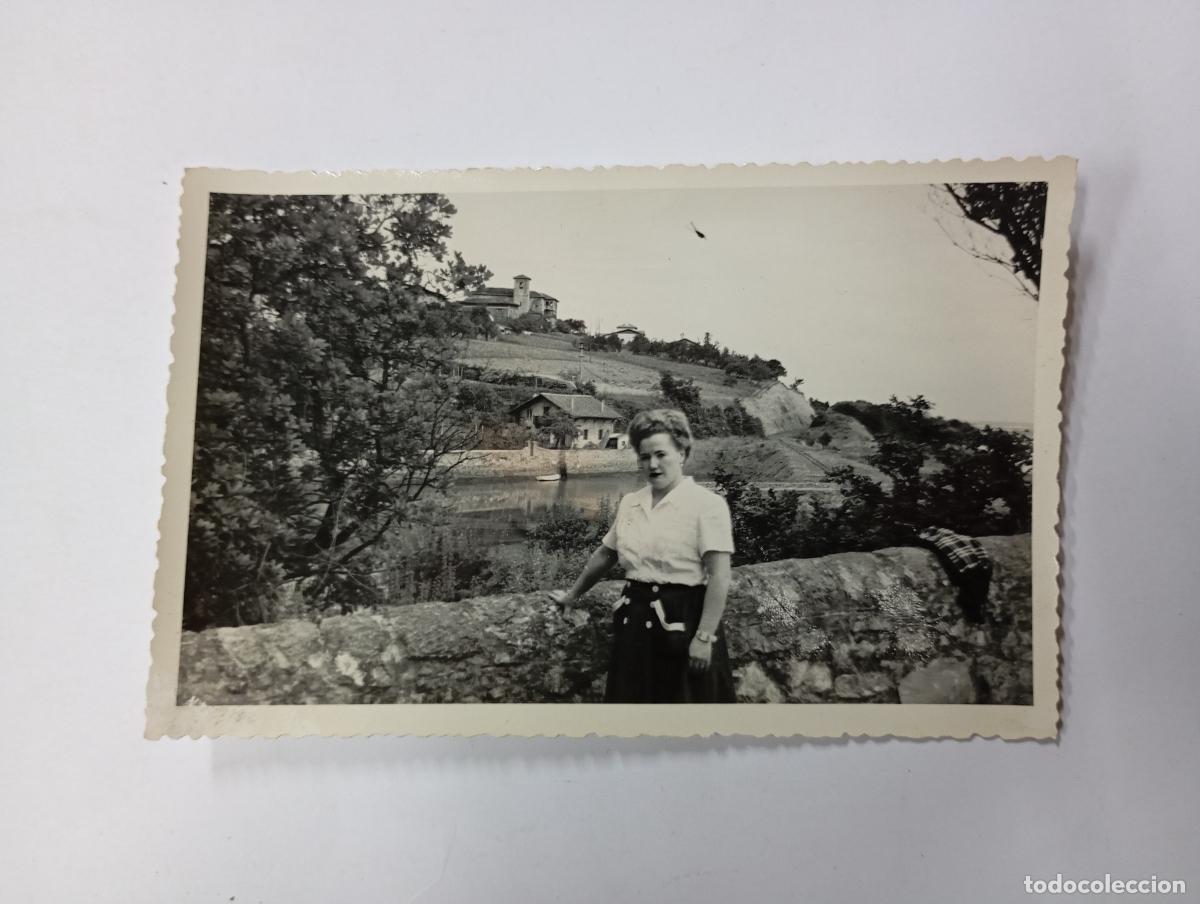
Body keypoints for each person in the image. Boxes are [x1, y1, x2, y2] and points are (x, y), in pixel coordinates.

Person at [548, 408, 737, 703]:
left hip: (683, 624)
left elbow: (720, 575)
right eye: (645, 456)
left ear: (682, 453)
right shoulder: (630, 503)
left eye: (661, 454)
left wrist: (704, 638)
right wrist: (573, 595)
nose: (653, 464)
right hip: (634, 624)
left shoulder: (707, 505)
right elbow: (605, 554)